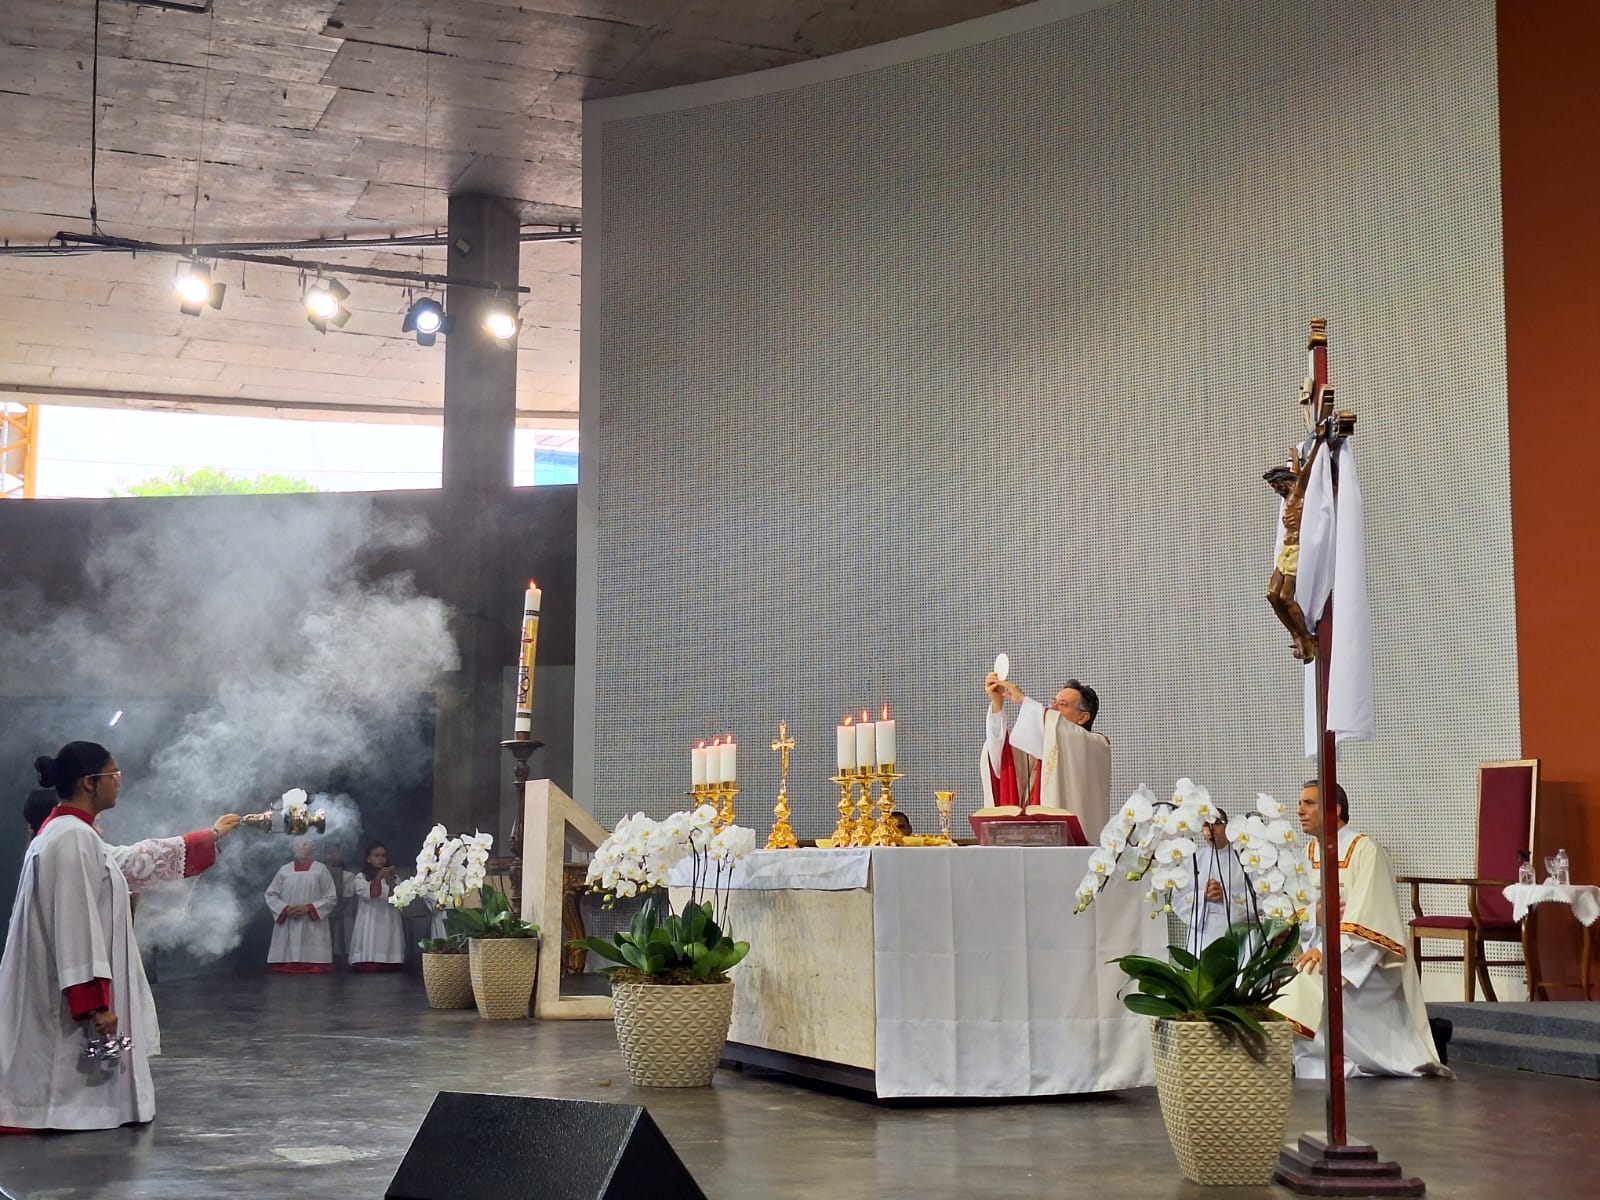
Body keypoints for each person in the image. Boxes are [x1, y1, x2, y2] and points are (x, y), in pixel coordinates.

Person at [0, 742, 236, 1132]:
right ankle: (48, 1109)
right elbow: (74, 925)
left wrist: (208, 838)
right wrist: (94, 1003)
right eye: (114, 775)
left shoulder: (73, 834)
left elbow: (131, 863)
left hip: (61, 982)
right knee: (54, 1079)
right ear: (89, 782)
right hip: (63, 992)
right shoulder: (70, 838)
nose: (118, 783)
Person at [1270, 781, 1449, 1079]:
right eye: (1300, 803)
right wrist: (1314, 917)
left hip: (1366, 963)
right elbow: (1295, 913)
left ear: (1335, 809)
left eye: (1309, 803)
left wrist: (1327, 952)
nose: (1299, 810)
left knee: (1306, 985)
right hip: (1319, 958)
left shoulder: (1365, 850)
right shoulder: (1306, 854)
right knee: (1302, 980)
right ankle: (1317, 1064)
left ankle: (1323, 1065)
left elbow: (1372, 922)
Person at [980, 671, 1112, 836]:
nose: (1052, 708)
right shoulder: (1044, 745)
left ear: (1083, 717)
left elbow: (1061, 728)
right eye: (1053, 702)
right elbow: (1002, 754)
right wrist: (997, 703)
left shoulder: (1094, 744)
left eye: (1062, 704)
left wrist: (1023, 700)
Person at [1180, 810, 1252, 955]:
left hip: (1237, 934)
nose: (1211, 829)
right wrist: (1203, 895)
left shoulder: (1245, 859)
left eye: (1217, 823)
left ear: (1227, 826)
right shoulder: (1192, 860)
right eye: (1206, 824)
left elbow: (1259, 898)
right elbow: (1179, 897)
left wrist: (1225, 896)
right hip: (1201, 935)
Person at [264, 838, 339, 973]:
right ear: (292, 847)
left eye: (305, 844)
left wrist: (309, 908)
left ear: (313, 847)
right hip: (289, 920)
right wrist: (285, 909)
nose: (300, 847)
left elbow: (331, 898)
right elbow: (270, 894)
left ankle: (312, 960)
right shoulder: (284, 870)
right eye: (297, 845)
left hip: (312, 923)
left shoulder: (321, 870)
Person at [347, 842, 405, 973]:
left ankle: (390, 960)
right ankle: (368, 959)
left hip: (389, 919)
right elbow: (369, 894)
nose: (380, 859)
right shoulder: (361, 877)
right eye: (376, 855)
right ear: (369, 859)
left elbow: (397, 900)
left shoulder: (396, 878)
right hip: (370, 919)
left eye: (383, 856)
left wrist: (391, 882)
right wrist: (379, 877)